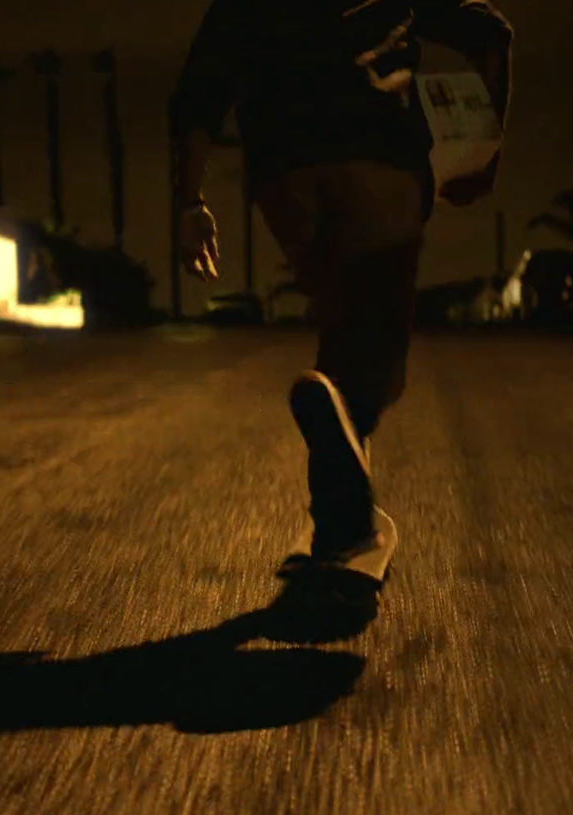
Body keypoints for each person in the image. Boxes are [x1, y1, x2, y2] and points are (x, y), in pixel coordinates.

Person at [171, 0, 513, 568]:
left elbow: (198, 94)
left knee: (344, 326)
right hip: (379, 158)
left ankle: (335, 525)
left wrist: (190, 201)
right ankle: (347, 513)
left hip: (286, 171)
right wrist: (484, 151)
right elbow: (491, 33)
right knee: (376, 360)